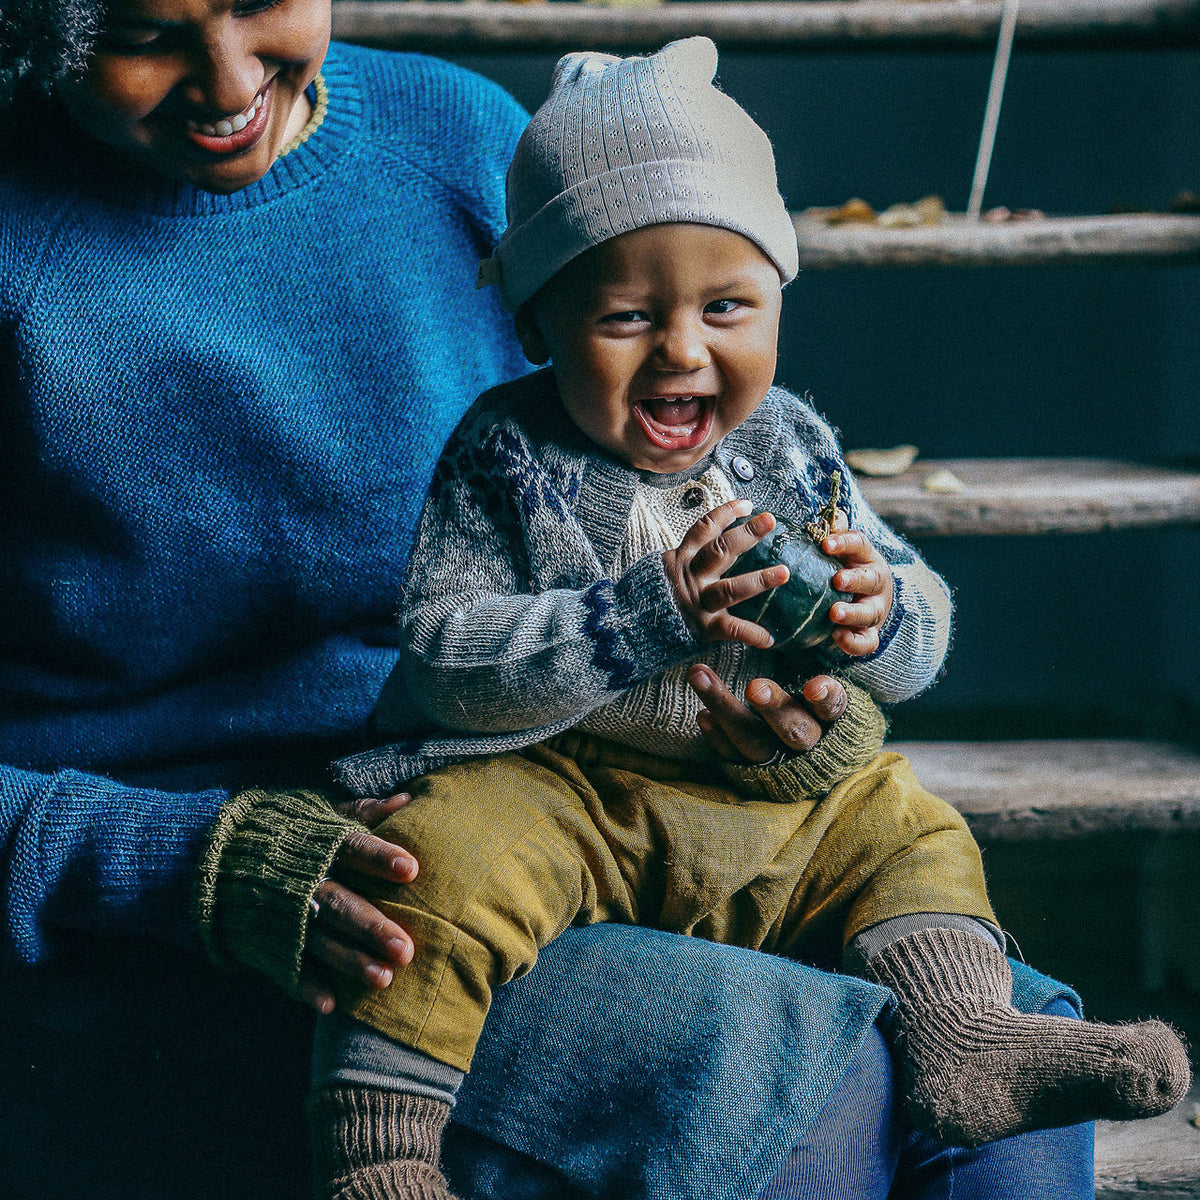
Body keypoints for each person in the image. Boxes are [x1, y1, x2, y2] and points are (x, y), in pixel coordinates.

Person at [0, 4, 1128, 1197]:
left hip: (572, 783)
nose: (231, 81)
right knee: (819, 1102)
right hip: (220, 917)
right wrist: (181, 864)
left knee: (1005, 1065)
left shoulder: (462, 140)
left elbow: (636, 493)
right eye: (142, 34)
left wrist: (784, 719)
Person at [307, 37, 1191, 1200]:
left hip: (757, 792)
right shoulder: (504, 453)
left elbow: (916, 614)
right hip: (557, 784)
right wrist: (638, 618)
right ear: (537, 324)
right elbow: (446, 654)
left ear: (777, 299)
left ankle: (968, 1039)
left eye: (727, 306)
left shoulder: (789, 444)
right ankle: (381, 1154)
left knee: (905, 822)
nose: (684, 348)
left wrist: (880, 615)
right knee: (437, 865)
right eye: (626, 316)